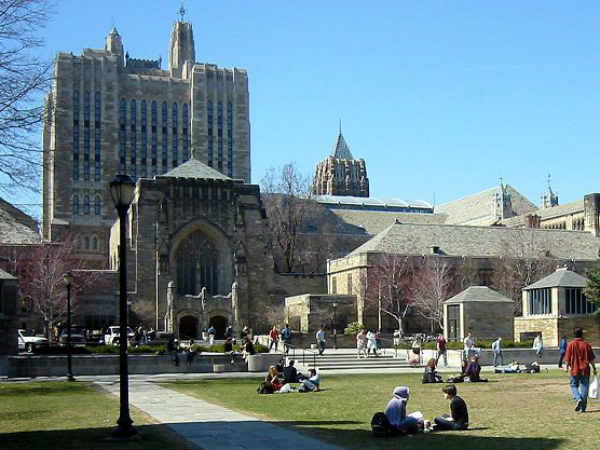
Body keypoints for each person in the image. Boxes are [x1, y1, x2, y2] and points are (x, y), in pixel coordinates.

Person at [564, 327, 597, 413]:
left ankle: (578, 398)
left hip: (575, 369)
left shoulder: (570, 345)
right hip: (585, 370)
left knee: (573, 385)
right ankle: (583, 408)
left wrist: (566, 367)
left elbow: (567, 358)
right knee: (584, 387)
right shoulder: (586, 345)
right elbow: (591, 359)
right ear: (582, 334)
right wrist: (594, 368)